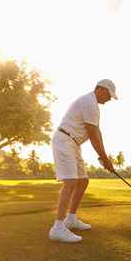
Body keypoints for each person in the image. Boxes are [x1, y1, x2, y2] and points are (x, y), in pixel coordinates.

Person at [49, 79, 118, 243]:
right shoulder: (89, 103)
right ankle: (57, 228)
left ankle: (70, 218)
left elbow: (97, 132)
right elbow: (93, 135)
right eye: (109, 95)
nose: (109, 99)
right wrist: (104, 159)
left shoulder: (94, 106)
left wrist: (104, 157)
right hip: (65, 140)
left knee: (83, 181)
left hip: (73, 143)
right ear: (100, 89)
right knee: (71, 181)